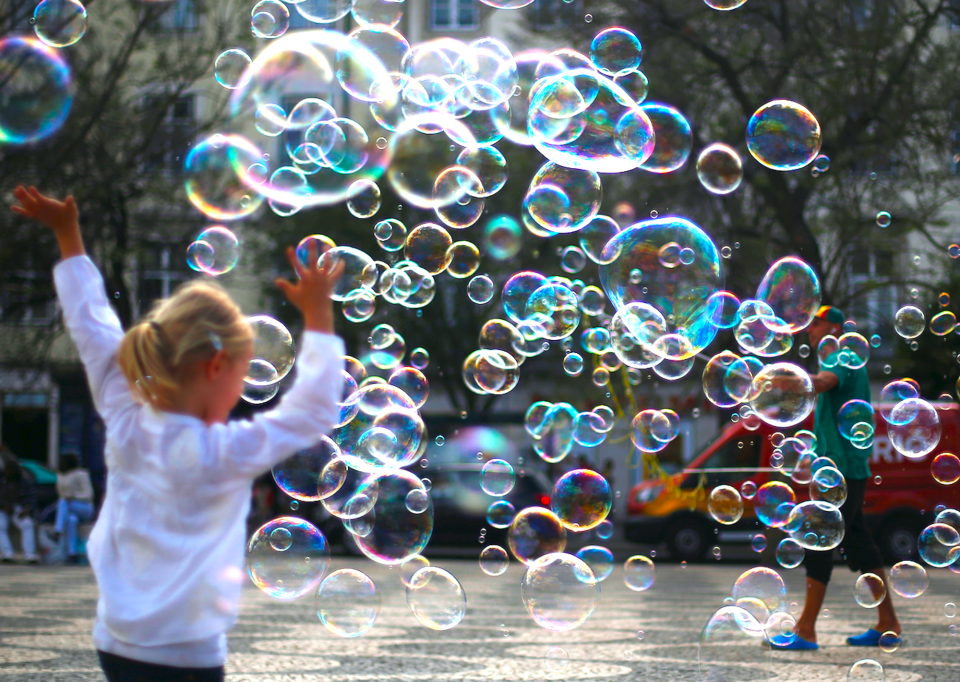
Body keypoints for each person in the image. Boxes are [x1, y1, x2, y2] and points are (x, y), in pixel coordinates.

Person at [11, 185, 345, 681]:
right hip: (187, 655)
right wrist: (318, 313)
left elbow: (92, 324)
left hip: (116, 642)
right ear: (217, 367)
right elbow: (314, 409)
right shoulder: (223, 452)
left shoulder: (125, 419)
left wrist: (68, 236)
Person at [774, 306, 900, 650]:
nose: (809, 329)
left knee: (818, 536)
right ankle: (888, 622)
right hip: (836, 468)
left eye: (816, 323)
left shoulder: (842, 355)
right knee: (859, 544)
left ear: (833, 326)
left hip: (841, 471)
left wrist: (788, 379)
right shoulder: (836, 358)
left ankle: (805, 630)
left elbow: (823, 383)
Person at [0, 445, 40, 564]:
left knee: (28, 525)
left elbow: (32, 498)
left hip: (19, 509)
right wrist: (4, 506)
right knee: (0, 525)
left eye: (11, 470)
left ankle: (30, 555)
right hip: (3, 509)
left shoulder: (24, 482)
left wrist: (28, 509)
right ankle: (7, 554)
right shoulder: (2, 481)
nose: (9, 472)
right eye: (7, 470)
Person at [54, 452, 96, 563]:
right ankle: (72, 554)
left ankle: (57, 531)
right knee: (71, 520)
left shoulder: (81, 474)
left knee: (62, 502)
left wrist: (73, 497)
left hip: (84, 507)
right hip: (69, 508)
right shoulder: (60, 475)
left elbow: (89, 494)